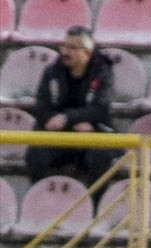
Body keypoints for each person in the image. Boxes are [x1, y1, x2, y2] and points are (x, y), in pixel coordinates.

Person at [24, 26, 118, 194]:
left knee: (101, 157)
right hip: (57, 136)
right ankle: (43, 202)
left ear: (87, 53)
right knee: (35, 154)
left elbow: (101, 109)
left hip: (91, 135)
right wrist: (58, 120)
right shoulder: (52, 71)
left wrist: (68, 118)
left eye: (72, 48)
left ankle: (93, 208)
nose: (65, 52)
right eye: (64, 46)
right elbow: (41, 106)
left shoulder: (103, 72)